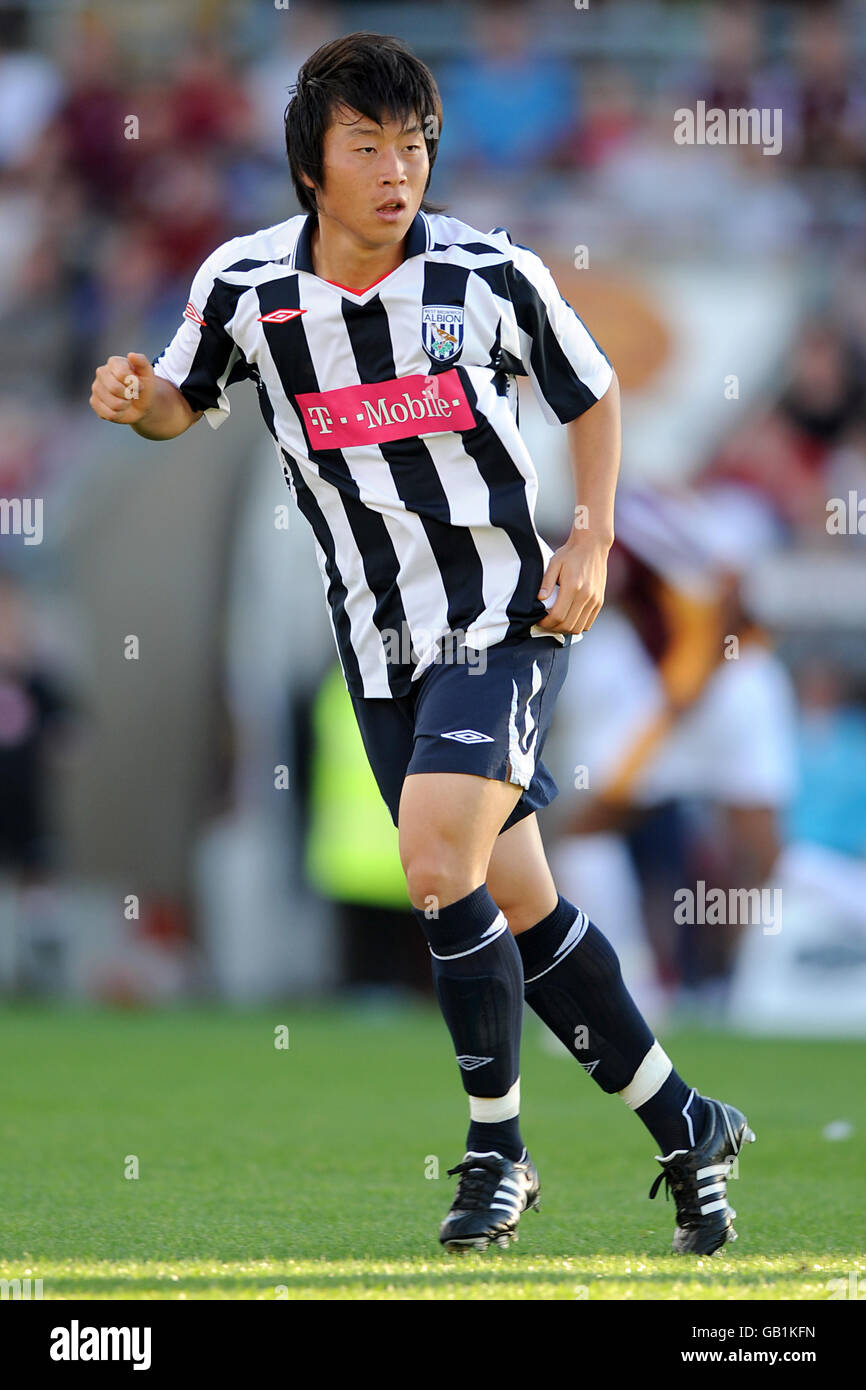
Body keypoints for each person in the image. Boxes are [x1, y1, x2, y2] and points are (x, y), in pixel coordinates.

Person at [88, 31, 754, 1256]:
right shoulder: (246, 285)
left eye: (413, 147)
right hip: (375, 638)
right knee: (519, 903)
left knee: (436, 863)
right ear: (311, 168)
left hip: (503, 615)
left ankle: (497, 1150)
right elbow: (187, 398)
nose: (397, 172)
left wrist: (593, 538)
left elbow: (592, 390)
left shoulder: (487, 276)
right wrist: (144, 404)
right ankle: (685, 1119)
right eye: (368, 147)